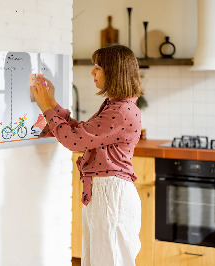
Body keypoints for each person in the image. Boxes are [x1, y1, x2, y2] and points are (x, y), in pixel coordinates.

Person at [31, 44, 143, 266]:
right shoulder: (116, 106)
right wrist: (52, 104)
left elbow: (74, 141)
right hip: (106, 193)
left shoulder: (120, 111)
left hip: (111, 195)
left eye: (98, 67)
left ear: (114, 72)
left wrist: (46, 108)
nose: (92, 72)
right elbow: (82, 133)